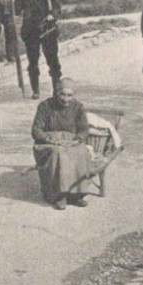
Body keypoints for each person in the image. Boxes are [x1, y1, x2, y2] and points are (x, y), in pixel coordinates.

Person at [31, 78, 93, 210]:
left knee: (81, 151)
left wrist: (77, 140)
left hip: (70, 141)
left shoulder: (78, 107)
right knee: (58, 154)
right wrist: (50, 140)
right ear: (56, 92)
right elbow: (36, 130)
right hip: (47, 144)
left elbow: (84, 129)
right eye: (62, 94)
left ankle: (76, 194)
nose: (66, 99)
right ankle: (59, 196)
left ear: (73, 95)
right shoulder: (45, 106)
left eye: (69, 95)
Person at [14, 0, 62, 100]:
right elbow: (16, 10)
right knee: (32, 61)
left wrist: (53, 15)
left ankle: (56, 89)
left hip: (48, 30)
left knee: (52, 59)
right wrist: (11, 1)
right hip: (31, 32)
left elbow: (57, 8)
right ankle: (35, 90)